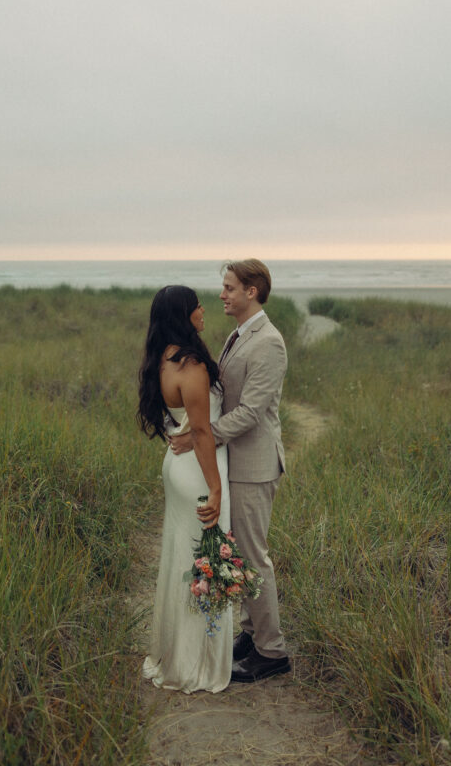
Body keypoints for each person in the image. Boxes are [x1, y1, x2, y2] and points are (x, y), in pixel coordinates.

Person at [170, 259, 290, 683]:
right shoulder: (240, 335)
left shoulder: (268, 342)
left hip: (255, 465)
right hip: (234, 462)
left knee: (255, 558)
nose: (221, 294)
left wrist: (202, 437)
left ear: (251, 291)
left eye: (229, 287)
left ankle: (272, 652)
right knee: (239, 554)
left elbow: (253, 413)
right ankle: (251, 633)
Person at [137, 285, 232, 693]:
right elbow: (202, 431)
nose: (203, 310)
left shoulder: (163, 359)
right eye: (196, 306)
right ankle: (196, 661)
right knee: (203, 560)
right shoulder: (190, 365)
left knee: (183, 557)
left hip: (178, 464)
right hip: (197, 469)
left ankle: (180, 651)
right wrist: (215, 489)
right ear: (183, 314)